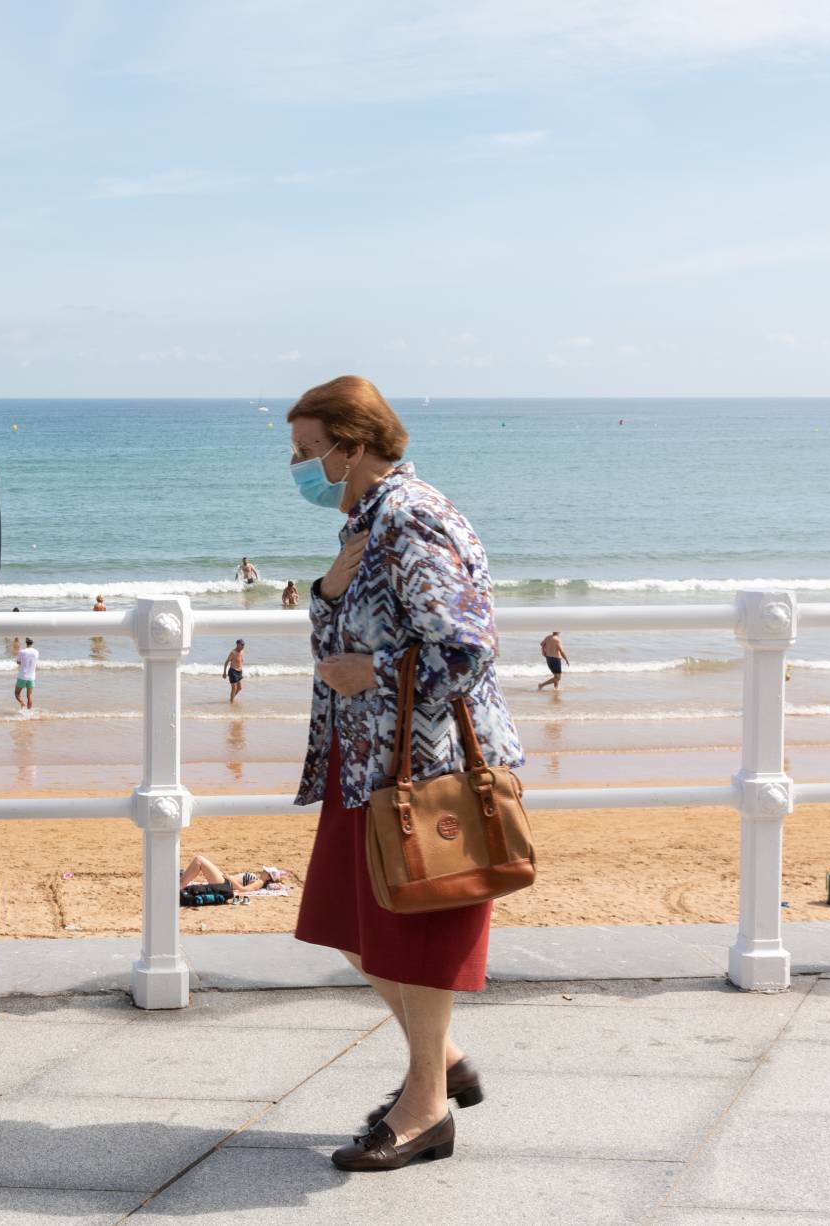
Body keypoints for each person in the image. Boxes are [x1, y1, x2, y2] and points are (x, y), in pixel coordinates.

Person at [284, 375, 522, 1172]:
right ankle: (443, 1061)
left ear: (353, 447)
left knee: (409, 936)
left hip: (422, 772)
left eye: (308, 451)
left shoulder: (411, 517)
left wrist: (371, 674)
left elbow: (466, 644)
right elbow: (357, 625)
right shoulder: (370, 518)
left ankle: (425, 1111)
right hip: (373, 763)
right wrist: (327, 592)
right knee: (353, 928)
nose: (298, 465)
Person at [14, 637, 39, 709]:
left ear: (26, 642)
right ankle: (29, 712)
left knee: (17, 693)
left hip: (22, 676)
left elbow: (18, 662)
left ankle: (22, 703)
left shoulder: (22, 651)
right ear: (32, 643)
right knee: (29, 695)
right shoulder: (36, 652)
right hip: (32, 677)